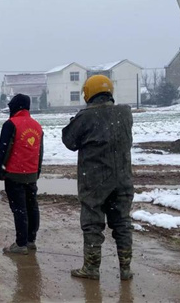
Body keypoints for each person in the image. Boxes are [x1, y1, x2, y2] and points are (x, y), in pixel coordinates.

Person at [62, 75, 134, 280]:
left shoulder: (86, 117)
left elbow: (69, 141)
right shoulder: (125, 112)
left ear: (88, 93)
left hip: (94, 178)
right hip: (123, 178)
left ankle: (91, 268)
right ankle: (126, 267)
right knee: (122, 222)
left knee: (92, 222)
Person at [0, 94, 43, 254]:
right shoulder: (37, 125)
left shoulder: (10, 124)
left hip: (14, 174)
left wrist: (0, 170)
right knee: (32, 206)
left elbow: (4, 149)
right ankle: (31, 240)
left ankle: (20, 244)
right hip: (31, 173)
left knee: (19, 209)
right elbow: (39, 152)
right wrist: (37, 171)